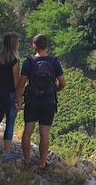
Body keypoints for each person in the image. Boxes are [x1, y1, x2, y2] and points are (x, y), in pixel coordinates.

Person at [16, 33, 65, 171]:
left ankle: (27, 160)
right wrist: (55, 90)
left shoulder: (29, 62)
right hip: (48, 101)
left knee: (28, 131)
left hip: (31, 100)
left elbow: (21, 84)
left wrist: (17, 99)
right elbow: (62, 83)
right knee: (44, 132)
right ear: (46, 47)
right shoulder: (54, 62)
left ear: (34, 46)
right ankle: (42, 162)